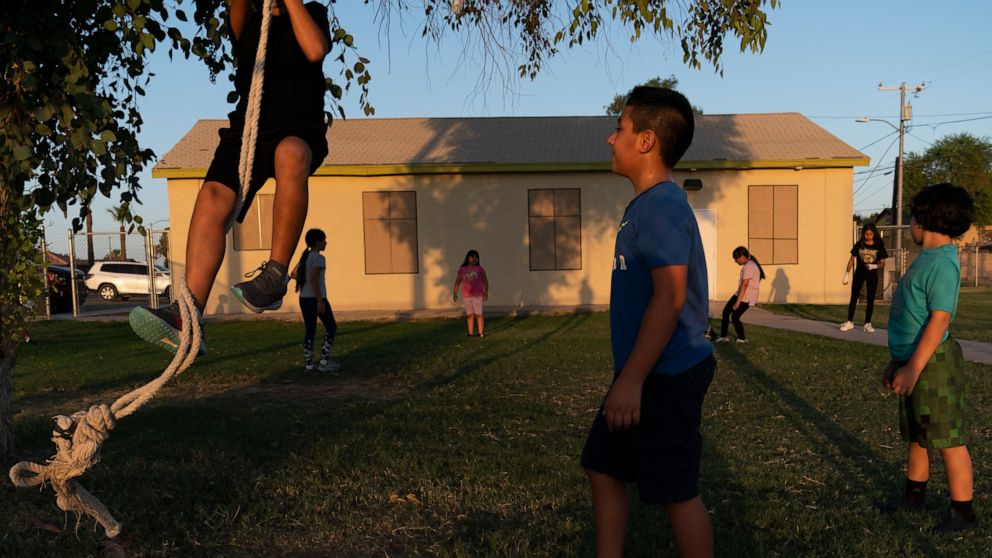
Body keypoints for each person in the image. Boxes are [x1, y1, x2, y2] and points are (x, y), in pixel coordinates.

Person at [129, 0, 331, 353]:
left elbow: (315, 49)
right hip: (248, 132)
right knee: (211, 197)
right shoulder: (247, 20)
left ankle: (275, 276)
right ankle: (187, 317)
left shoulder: (311, 11)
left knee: (291, 154)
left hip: (299, 126)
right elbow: (236, 10)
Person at [580, 86, 716, 558]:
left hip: (667, 372)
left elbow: (671, 296)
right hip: (643, 371)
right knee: (603, 464)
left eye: (619, 127)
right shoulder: (645, 205)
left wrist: (632, 380)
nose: (610, 138)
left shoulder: (660, 205)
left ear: (645, 141)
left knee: (675, 489)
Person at [878, 183, 977, 533]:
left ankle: (962, 514)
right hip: (915, 361)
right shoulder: (927, 259)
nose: (908, 225)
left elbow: (939, 319)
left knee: (948, 439)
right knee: (919, 436)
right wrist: (898, 362)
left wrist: (915, 367)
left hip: (933, 364)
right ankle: (914, 498)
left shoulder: (944, 263)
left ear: (925, 220)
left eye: (912, 218)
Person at [294, 228, 339, 371]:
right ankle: (324, 362)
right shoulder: (319, 258)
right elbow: (314, 279)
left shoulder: (305, 256)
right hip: (316, 298)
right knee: (331, 327)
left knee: (310, 329)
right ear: (317, 242)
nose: (326, 243)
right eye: (324, 240)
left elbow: (293, 273)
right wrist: (320, 301)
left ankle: (309, 364)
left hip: (304, 298)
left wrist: (304, 279)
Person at [840, 223, 888, 333]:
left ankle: (867, 323)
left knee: (871, 298)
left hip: (872, 273)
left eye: (870, 234)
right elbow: (852, 259)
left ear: (874, 233)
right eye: (866, 234)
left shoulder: (879, 245)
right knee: (854, 296)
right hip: (860, 272)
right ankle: (850, 322)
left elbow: (882, 263)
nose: (868, 236)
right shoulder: (859, 244)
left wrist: (873, 266)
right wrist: (846, 274)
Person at [712, 246, 765, 344]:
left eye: (736, 258)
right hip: (740, 294)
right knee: (726, 312)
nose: (735, 261)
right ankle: (723, 336)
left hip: (746, 297)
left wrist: (737, 302)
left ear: (743, 257)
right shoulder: (748, 265)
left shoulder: (750, 266)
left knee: (735, 317)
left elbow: (745, 285)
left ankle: (742, 339)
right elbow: (743, 285)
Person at [452, 249, 489, 337]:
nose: (474, 259)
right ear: (467, 258)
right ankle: (470, 333)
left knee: (479, 314)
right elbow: (458, 281)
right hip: (467, 296)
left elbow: (485, 281)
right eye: (472, 256)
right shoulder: (462, 269)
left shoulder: (480, 269)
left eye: (477, 257)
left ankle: (480, 333)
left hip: (478, 295)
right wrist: (455, 293)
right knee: (470, 315)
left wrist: (486, 292)